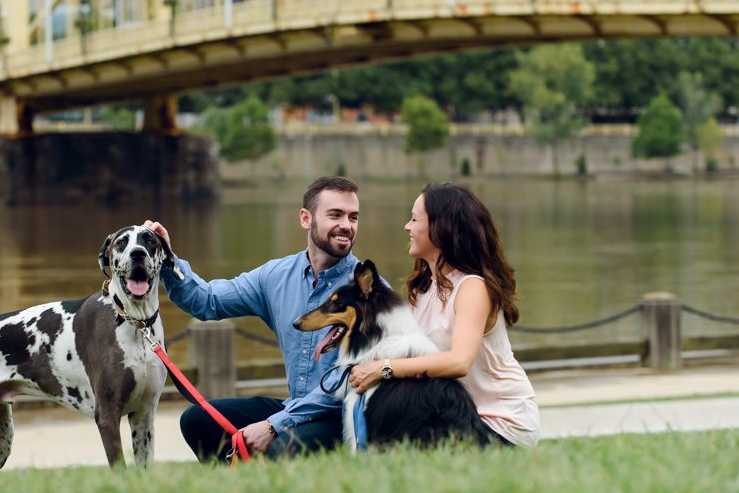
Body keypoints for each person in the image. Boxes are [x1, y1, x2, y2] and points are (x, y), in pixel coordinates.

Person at [143, 176, 361, 461]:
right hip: (294, 408)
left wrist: (273, 425)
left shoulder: (368, 291)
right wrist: (166, 257)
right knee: (197, 420)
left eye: (353, 217)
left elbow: (347, 383)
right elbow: (207, 301)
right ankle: (235, 485)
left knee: (284, 446)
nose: (346, 225)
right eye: (335, 215)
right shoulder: (276, 275)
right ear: (305, 219)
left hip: (342, 416)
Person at [348, 183, 540, 447]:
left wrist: (385, 368)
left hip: (500, 424)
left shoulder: (472, 287)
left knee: (428, 390)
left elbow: (459, 362)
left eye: (414, 219)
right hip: (454, 413)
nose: (407, 227)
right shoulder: (424, 289)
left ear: (441, 228)